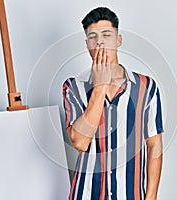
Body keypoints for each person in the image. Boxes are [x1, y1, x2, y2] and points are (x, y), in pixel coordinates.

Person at [62, 7, 164, 200]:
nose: (99, 42)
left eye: (106, 35)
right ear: (87, 44)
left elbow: (154, 146)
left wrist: (150, 197)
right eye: (92, 37)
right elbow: (80, 142)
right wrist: (100, 87)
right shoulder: (73, 87)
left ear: (118, 40)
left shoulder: (146, 87)